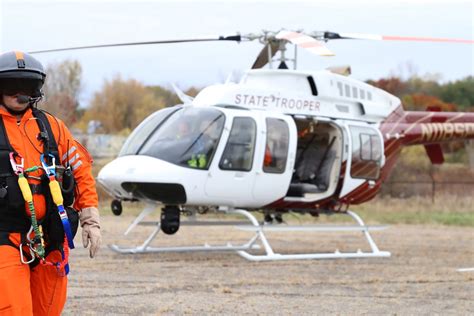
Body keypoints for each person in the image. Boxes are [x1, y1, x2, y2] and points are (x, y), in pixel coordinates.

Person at [0, 51, 101, 315]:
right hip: (6, 239)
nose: (18, 92)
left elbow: (81, 171)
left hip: (50, 240)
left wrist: (91, 219)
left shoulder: (52, 128)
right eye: (11, 85)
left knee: (48, 310)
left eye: (27, 85)